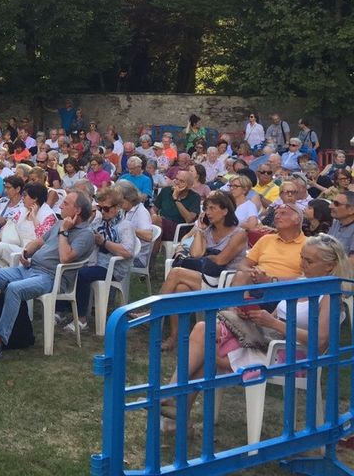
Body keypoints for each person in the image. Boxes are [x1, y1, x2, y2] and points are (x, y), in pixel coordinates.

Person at [162, 234, 352, 428]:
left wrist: (273, 323)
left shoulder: (331, 296)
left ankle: (175, 402)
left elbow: (320, 341)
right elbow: (276, 318)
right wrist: (253, 316)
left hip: (294, 356)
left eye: (309, 261)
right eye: (301, 257)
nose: (302, 264)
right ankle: (175, 402)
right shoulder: (301, 282)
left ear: (329, 266)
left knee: (207, 348)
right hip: (269, 343)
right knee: (204, 331)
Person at [0, 190, 96, 361]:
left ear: (78, 210)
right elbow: (39, 241)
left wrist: (64, 232)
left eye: (66, 204)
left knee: (13, 289)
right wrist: (26, 253)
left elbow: (65, 258)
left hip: (51, 278)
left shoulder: (86, 234)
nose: (61, 206)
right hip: (29, 268)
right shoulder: (60, 223)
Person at [159, 192, 248, 348]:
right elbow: (196, 254)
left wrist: (208, 257)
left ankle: (154, 309)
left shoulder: (239, 234)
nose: (208, 212)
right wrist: (200, 231)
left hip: (224, 282)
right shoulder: (208, 231)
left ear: (225, 211)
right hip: (206, 277)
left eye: (212, 208)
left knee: (176, 272)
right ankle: (174, 336)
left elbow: (221, 260)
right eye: (206, 209)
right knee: (180, 289)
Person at [60, 186, 136, 333]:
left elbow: (127, 252)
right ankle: (61, 309)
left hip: (112, 268)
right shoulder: (99, 221)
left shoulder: (125, 226)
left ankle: (82, 319)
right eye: (100, 208)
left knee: (82, 274)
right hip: (95, 262)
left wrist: (104, 243)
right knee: (68, 267)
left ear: (117, 208)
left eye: (106, 209)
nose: (102, 212)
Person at [151, 170, 201, 247]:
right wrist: (154, 215)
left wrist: (176, 199)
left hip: (180, 228)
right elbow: (154, 209)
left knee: (156, 223)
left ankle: (151, 254)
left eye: (182, 181)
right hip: (161, 223)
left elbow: (189, 219)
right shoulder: (166, 191)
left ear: (189, 186)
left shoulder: (195, 197)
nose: (177, 183)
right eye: (177, 179)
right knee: (154, 224)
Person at [326, 190, 354, 258]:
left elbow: (352, 261)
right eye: (332, 201)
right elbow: (325, 245)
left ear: (351, 210)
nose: (330, 206)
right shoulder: (337, 222)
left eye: (336, 204)